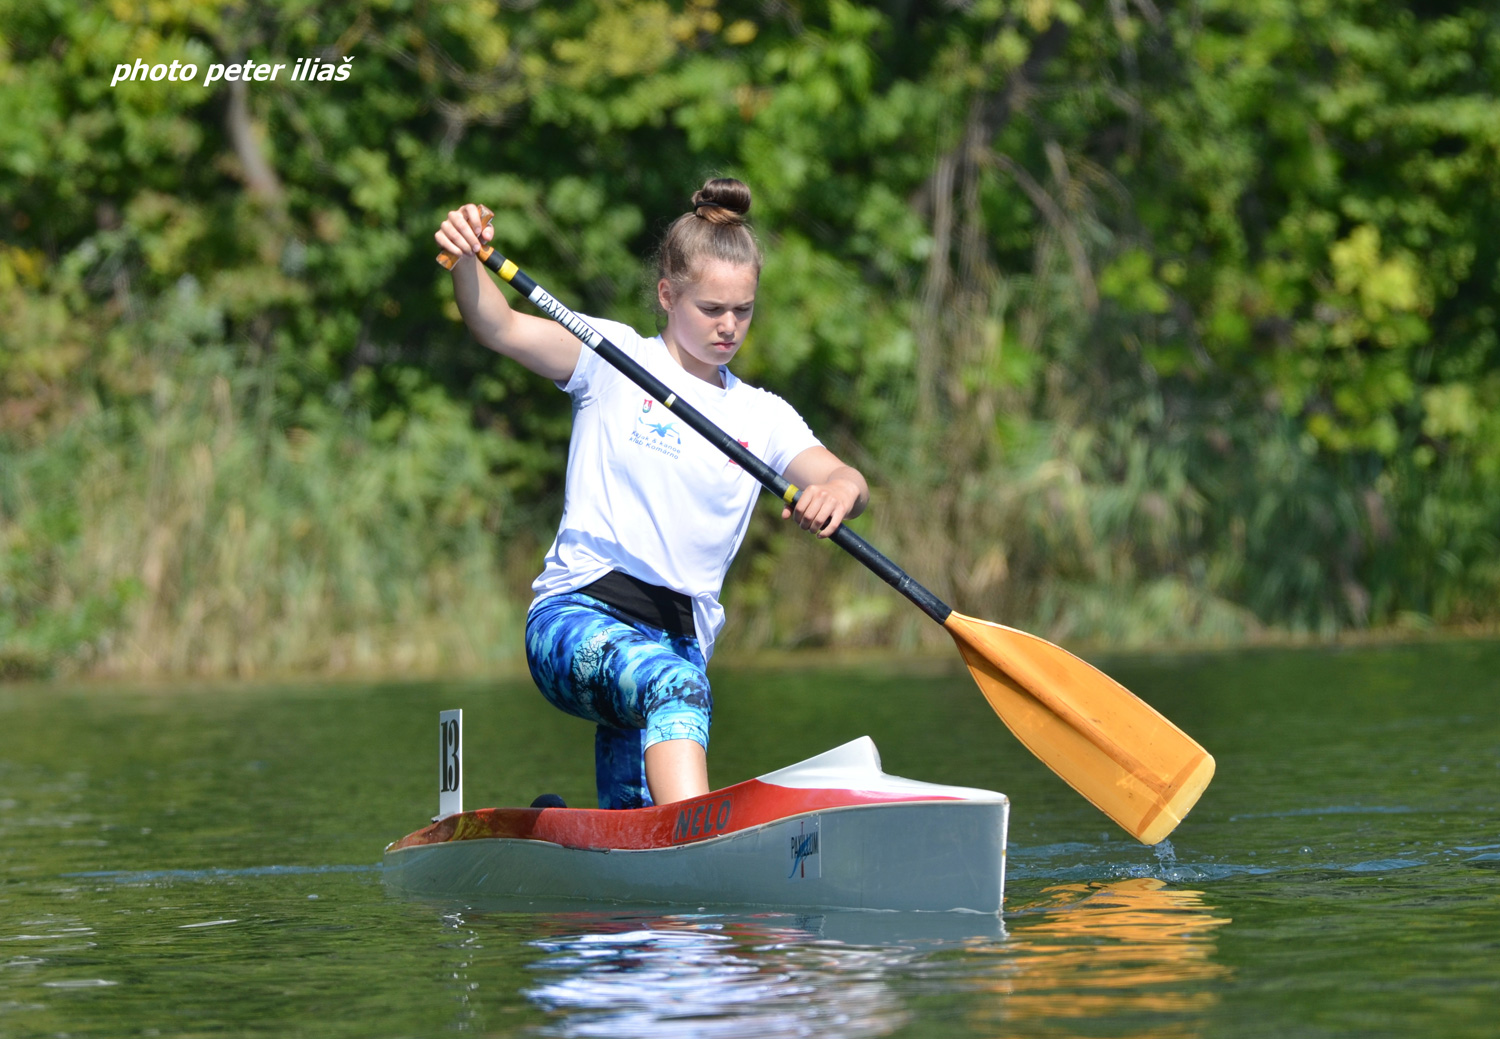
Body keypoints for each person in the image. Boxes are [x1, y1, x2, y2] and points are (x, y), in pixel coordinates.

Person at [434, 177, 869, 810]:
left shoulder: (763, 416)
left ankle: (580, 855)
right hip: (575, 620)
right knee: (674, 688)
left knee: (637, 815)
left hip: (677, 639)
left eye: (742, 311)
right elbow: (495, 324)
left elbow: (845, 476)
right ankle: (691, 841)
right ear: (668, 295)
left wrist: (836, 492)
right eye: (711, 309)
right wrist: (466, 257)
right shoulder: (611, 355)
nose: (728, 326)